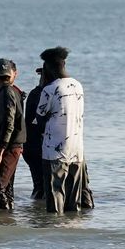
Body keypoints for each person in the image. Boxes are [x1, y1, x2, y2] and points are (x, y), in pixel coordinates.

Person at [36, 47, 89, 213]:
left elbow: (40, 117)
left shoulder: (50, 89)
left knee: (55, 197)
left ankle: (55, 235)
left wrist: (43, 83)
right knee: (74, 201)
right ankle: (71, 233)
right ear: (64, 63)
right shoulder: (78, 86)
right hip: (77, 149)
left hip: (54, 151)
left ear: (48, 68)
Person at [0, 58, 26, 210]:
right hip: (13, 146)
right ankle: (8, 222)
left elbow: (8, 124)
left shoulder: (6, 93)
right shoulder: (14, 90)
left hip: (8, 147)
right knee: (6, 188)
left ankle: (2, 224)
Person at [22, 68, 47, 203]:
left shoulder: (35, 93)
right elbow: (37, 120)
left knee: (39, 183)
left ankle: (36, 208)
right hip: (37, 145)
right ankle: (39, 210)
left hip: (31, 144)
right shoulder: (43, 94)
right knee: (42, 184)